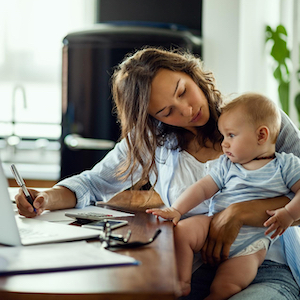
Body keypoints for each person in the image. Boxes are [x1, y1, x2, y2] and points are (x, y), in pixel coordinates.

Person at [15, 47, 300, 300]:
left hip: (266, 267)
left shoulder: (258, 119)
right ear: (154, 118)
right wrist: (45, 198)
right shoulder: (153, 143)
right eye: (167, 111)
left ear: (190, 73)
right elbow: (92, 183)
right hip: (193, 270)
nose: (187, 111)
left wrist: (238, 213)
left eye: (182, 90)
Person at [146, 93, 300, 299]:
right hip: (213, 226)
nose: (224, 144)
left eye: (231, 136)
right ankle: (182, 282)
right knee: (182, 231)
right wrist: (177, 210)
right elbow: (202, 189)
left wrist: (289, 213)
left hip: (252, 245)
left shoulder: (285, 165)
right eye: (223, 136)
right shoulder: (227, 165)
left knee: (225, 286)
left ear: (261, 136)